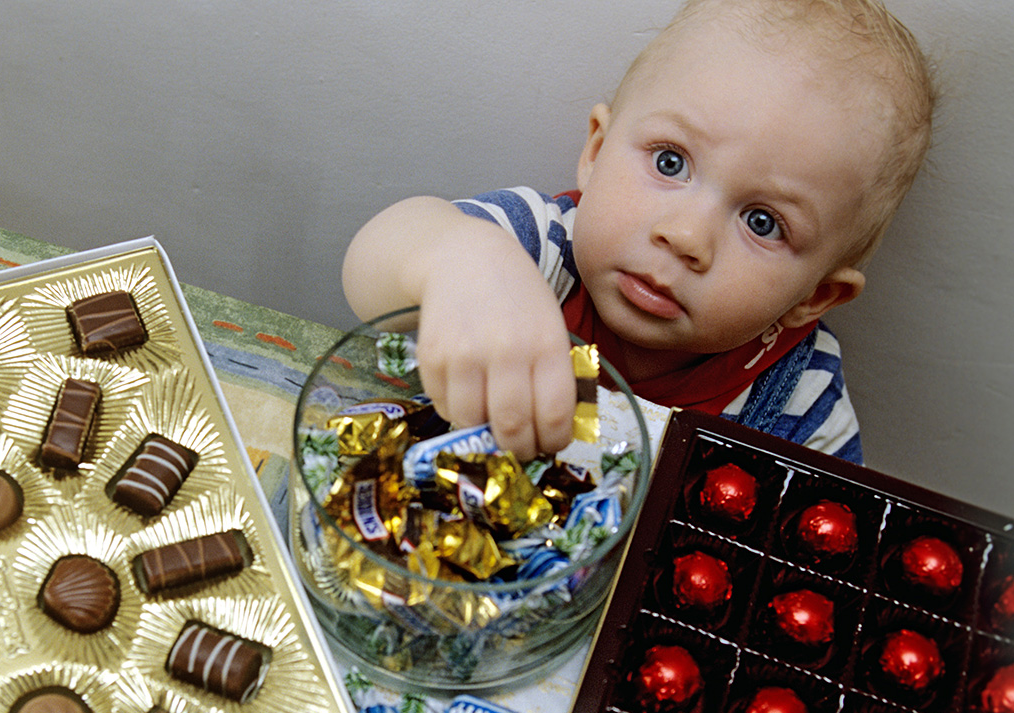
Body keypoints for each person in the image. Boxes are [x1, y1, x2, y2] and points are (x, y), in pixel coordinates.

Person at [341, 0, 936, 465]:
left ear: (815, 295)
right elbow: (376, 258)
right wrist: (460, 262)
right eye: (670, 162)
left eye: (763, 222)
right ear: (596, 152)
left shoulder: (805, 404)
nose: (685, 237)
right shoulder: (539, 249)